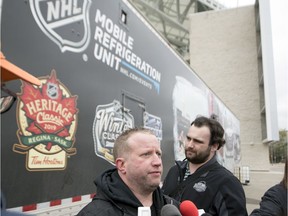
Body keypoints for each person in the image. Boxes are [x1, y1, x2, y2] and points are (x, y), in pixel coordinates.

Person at [77, 128, 179, 216]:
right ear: (122, 165)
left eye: (158, 154)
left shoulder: (173, 208)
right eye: (146, 154)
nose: (157, 162)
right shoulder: (95, 213)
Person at [162, 115, 248, 216]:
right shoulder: (174, 171)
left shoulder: (227, 183)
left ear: (214, 146)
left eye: (197, 141)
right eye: (188, 138)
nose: (190, 145)